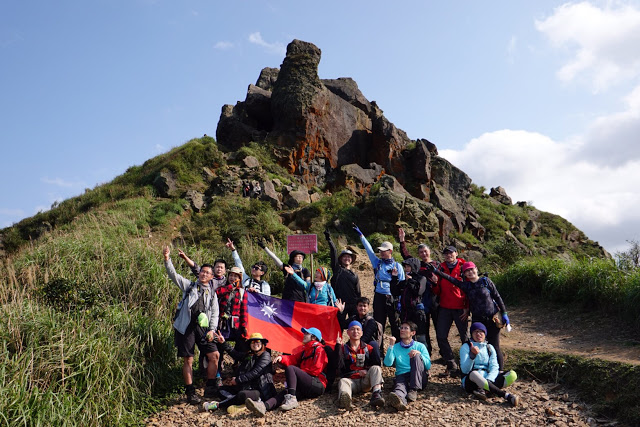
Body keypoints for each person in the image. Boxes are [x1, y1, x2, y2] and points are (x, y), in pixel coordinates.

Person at [163, 245, 220, 404]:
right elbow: (173, 275)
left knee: (214, 355)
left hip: (203, 328)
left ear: (211, 277)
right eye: (202, 271)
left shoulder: (212, 293)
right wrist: (167, 259)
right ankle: (190, 391)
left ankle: (210, 386)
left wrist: (212, 330)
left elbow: (215, 313)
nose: (204, 274)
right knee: (188, 359)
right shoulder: (189, 286)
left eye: (207, 273)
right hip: (186, 327)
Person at [430, 261, 510, 370]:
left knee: (494, 346)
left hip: (492, 318)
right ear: (464, 274)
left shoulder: (486, 281)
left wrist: (504, 313)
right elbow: (451, 279)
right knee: (477, 345)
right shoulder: (466, 286)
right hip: (477, 321)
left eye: (471, 269)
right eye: (467, 271)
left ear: (476, 269)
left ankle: (499, 372)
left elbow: (497, 297)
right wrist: (437, 272)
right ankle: (478, 369)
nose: (470, 272)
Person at [245, 327, 328, 416]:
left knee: (291, 369)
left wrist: (297, 374)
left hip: (318, 384)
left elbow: (315, 370)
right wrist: (282, 358)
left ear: (314, 337)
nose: (304, 335)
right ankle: (264, 407)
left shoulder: (319, 350)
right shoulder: (305, 351)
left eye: (307, 333)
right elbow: (293, 358)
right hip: (307, 386)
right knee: (285, 393)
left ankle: (292, 399)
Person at [202, 331, 276, 415]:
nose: (255, 344)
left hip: (260, 390)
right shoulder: (249, 355)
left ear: (262, 344)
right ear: (250, 344)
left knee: (242, 394)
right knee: (221, 390)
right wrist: (223, 343)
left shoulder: (265, 355)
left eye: (258, 341)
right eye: (253, 342)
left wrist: (237, 380)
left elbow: (255, 372)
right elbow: (235, 354)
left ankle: (218, 405)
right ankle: (242, 404)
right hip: (246, 386)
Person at [353, 224, 404, 342]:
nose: (381, 253)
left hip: (392, 297)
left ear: (390, 251)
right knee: (378, 323)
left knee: (395, 324)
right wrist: (361, 236)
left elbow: (401, 285)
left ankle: (398, 349)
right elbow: (369, 250)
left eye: (383, 251)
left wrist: (400, 300)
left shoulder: (397, 266)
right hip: (379, 296)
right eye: (380, 251)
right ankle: (379, 350)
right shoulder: (377, 263)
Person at [398, 227, 439, 355]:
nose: (423, 254)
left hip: (436, 299)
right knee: (424, 327)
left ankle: (443, 354)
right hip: (422, 300)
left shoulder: (438, 265)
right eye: (421, 252)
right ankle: (427, 352)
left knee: (439, 327)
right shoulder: (418, 266)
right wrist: (402, 241)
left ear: (430, 252)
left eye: (425, 251)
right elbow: (406, 256)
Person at [460, 323, 520, 406]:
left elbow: (494, 366)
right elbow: (465, 370)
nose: (478, 334)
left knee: (512, 374)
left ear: (485, 334)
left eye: (481, 332)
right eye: (475, 332)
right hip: (471, 380)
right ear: (471, 334)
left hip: (487, 378)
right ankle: (506, 396)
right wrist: (472, 356)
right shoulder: (466, 347)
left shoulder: (489, 347)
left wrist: (489, 379)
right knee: (474, 374)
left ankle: (485, 389)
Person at [432, 245, 469, 377]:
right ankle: (451, 363)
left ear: (456, 253)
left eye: (451, 253)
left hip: (460, 308)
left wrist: (467, 307)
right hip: (445, 307)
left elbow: (469, 288)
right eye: (446, 254)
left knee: (464, 338)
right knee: (441, 336)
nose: (449, 255)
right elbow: (437, 291)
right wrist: (435, 283)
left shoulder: (463, 267)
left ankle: (467, 366)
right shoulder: (440, 268)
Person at [336, 321, 385, 410]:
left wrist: (366, 370)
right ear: (347, 332)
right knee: (343, 381)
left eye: (358, 329)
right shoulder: (343, 348)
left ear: (362, 333)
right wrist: (338, 348)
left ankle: (376, 394)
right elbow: (338, 367)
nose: (355, 332)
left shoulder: (368, 348)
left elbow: (376, 363)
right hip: (351, 380)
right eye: (352, 329)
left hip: (365, 380)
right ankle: (346, 400)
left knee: (376, 368)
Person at [383, 321, 431, 411]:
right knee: (399, 389)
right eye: (401, 328)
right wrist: (391, 346)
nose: (402, 330)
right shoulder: (396, 347)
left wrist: (419, 355)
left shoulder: (420, 346)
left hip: (419, 377)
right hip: (402, 376)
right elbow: (388, 363)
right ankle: (399, 401)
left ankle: (413, 389)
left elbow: (428, 366)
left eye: (406, 328)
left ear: (413, 333)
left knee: (416, 356)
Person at [324, 229, 361, 329]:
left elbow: (358, 292)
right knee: (338, 326)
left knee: (354, 326)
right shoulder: (337, 270)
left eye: (349, 257)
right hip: (339, 303)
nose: (347, 258)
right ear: (340, 259)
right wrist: (329, 240)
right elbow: (333, 253)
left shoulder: (354, 275)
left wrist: (359, 305)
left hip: (353, 304)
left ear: (352, 260)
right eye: (344, 257)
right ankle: (338, 344)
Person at [390, 258, 428, 349]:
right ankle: (406, 356)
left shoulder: (421, 278)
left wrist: (411, 281)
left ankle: (423, 356)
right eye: (405, 267)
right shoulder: (405, 281)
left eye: (408, 267)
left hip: (417, 313)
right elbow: (395, 292)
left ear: (414, 267)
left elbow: (418, 292)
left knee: (420, 337)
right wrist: (394, 278)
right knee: (406, 336)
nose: (406, 269)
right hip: (406, 313)